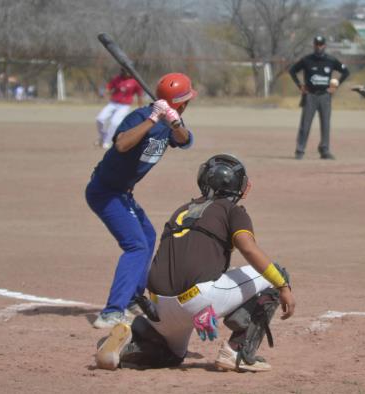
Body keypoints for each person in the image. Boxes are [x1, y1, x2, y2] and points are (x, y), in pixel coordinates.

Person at [95, 154, 296, 372]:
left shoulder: (181, 210)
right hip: (198, 299)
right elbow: (247, 248)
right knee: (276, 275)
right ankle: (237, 351)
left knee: (172, 356)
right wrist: (282, 286)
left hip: (158, 305)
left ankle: (132, 344)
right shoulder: (231, 210)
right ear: (238, 186)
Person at [86, 73, 198, 329]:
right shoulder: (139, 117)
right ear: (182, 101)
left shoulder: (171, 121)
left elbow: (186, 140)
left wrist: (174, 122)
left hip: (123, 193)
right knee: (136, 245)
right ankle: (112, 311)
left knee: (147, 236)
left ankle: (133, 298)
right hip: (105, 192)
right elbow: (122, 144)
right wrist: (153, 118)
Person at [289, 35, 350, 160]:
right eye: (316, 44)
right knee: (305, 124)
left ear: (324, 45)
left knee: (325, 124)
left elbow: (346, 72)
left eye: (321, 44)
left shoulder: (331, 60)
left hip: (325, 96)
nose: (318, 47)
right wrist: (300, 85)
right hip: (310, 95)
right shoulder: (307, 60)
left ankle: (324, 150)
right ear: (314, 45)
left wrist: (336, 86)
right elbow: (292, 70)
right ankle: (300, 150)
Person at [95, 68, 144, 150]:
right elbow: (109, 88)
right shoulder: (117, 78)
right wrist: (103, 93)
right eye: (124, 71)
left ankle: (107, 141)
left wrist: (140, 107)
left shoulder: (135, 81)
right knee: (100, 119)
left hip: (124, 106)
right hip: (113, 103)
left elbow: (139, 95)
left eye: (128, 71)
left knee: (114, 122)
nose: (126, 73)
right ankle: (103, 137)